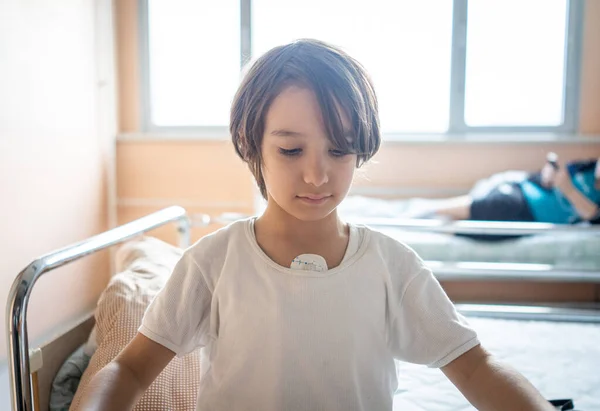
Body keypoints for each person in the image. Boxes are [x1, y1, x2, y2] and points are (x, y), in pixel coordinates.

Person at [74, 39, 556, 411]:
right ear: (251, 143)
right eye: (290, 150)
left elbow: (475, 367)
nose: (317, 174)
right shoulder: (213, 263)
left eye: (339, 149)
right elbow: (132, 370)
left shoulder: (392, 265)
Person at [412, 154, 600, 241]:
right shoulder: (585, 167)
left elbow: (591, 215)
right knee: (499, 205)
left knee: (491, 233)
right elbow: (548, 176)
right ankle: (427, 211)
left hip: (534, 218)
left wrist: (567, 188)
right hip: (522, 194)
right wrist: (549, 175)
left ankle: (433, 225)